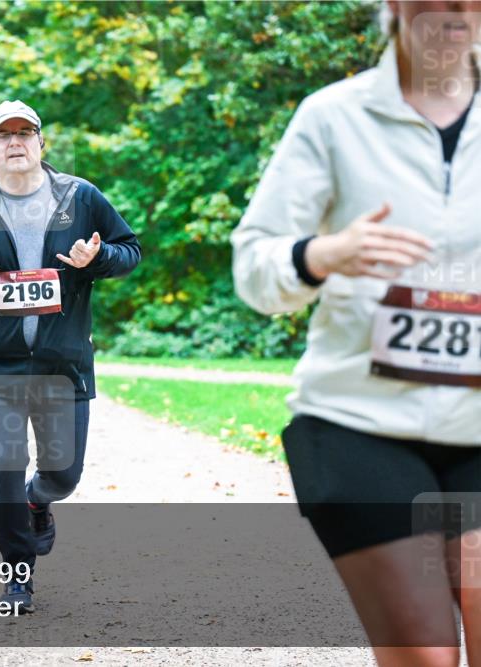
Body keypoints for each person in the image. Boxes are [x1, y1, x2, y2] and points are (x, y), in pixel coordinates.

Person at [232, 2, 480, 664]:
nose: (456, 6)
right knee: (425, 653)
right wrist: (322, 255)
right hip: (357, 421)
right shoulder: (333, 116)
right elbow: (254, 265)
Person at [0, 100, 141, 613]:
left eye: (26, 132)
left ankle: (40, 500)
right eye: (4, 135)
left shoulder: (80, 197)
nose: (15, 142)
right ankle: (18, 577)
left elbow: (130, 250)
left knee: (64, 475)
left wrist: (99, 257)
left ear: (42, 143)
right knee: (6, 466)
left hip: (63, 366)